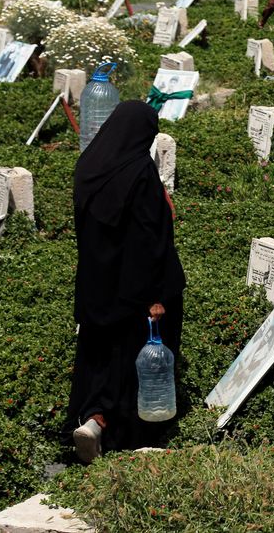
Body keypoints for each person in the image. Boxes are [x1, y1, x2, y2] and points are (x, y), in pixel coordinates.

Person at [69, 101, 185, 464]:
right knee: (133, 359)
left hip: (95, 287)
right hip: (135, 292)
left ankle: (94, 418)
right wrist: (154, 297)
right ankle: (130, 436)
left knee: (99, 355)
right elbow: (149, 241)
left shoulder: (89, 166)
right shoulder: (139, 173)